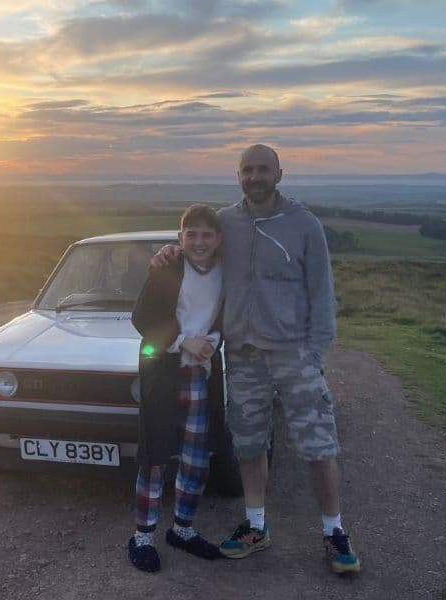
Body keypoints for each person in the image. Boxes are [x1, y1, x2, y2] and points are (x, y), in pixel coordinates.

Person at [150, 144, 361, 574]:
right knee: (248, 444)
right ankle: (256, 527)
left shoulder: (305, 226)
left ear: (280, 173)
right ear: (238, 175)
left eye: (264, 169)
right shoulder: (226, 222)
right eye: (248, 169)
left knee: (318, 446)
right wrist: (167, 254)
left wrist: (314, 354)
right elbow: (197, 249)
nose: (256, 176)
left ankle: (334, 532)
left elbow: (323, 295)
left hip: (294, 354)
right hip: (243, 357)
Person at [127, 204, 226, 572]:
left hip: (201, 375)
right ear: (179, 237)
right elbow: (142, 317)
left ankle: (182, 529)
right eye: (192, 234)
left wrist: (212, 340)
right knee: (155, 457)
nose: (199, 242)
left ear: (218, 239)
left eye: (207, 235)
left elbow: (223, 317)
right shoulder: (168, 266)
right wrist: (183, 340)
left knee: (196, 459)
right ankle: (143, 537)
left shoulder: (224, 270)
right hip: (164, 373)